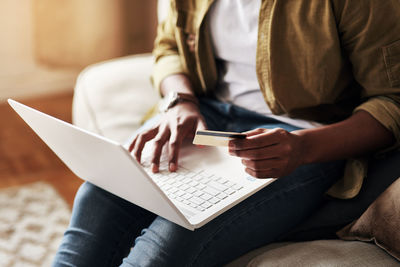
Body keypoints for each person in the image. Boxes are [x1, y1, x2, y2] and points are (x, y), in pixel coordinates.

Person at [53, 0, 400, 266]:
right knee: (99, 195)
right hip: (206, 116)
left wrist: (302, 149)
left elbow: (392, 100)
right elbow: (169, 46)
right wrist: (180, 102)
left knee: (168, 244)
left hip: (306, 139)